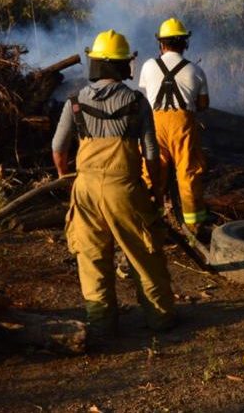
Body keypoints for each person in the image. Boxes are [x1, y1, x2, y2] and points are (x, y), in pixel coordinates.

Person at [52, 29, 176, 335]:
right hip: (125, 189)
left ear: (96, 64)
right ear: (122, 65)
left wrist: (66, 179)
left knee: (91, 256)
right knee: (143, 253)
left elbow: (58, 148)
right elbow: (150, 152)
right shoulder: (137, 102)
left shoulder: (75, 102)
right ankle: (160, 317)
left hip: (85, 189)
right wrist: (156, 192)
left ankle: (101, 322)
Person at [137, 17, 210, 231]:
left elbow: (145, 95)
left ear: (161, 43)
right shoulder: (196, 71)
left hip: (154, 125)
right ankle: (194, 227)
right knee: (188, 173)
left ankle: (149, 223)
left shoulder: (149, 66)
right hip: (183, 125)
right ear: (185, 43)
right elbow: (204, 105)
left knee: (151, 172)